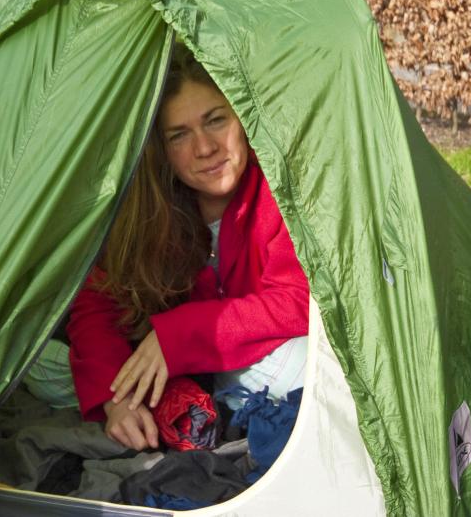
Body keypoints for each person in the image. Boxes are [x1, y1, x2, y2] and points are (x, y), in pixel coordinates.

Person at [67, 44, 309, 451]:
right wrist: (115, 400)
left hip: (258, 356)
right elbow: (98, 302)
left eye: (216, 121)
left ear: (243, 118)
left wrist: (177, 337)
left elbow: (297, 300)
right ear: (162, 149)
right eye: (180, 135)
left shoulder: (279, 190)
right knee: (35, 369)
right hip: (168, 370)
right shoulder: (148, 208)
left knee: (311, 366)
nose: (205, 148)